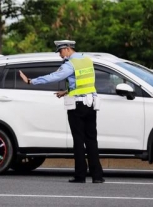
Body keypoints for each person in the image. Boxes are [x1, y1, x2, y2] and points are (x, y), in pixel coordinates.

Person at [19, 40, 105, 184]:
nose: (60, 55)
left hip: (77, 105)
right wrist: (66, 91)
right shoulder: (87, 60)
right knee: (91, 140)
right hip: (91, 103)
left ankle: (80, 176)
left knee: (78, 141)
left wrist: (30, 81)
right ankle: (97, 176)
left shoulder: (70, 64)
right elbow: (82, 83)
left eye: (60, 51)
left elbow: (54, 76)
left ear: (67, 49)